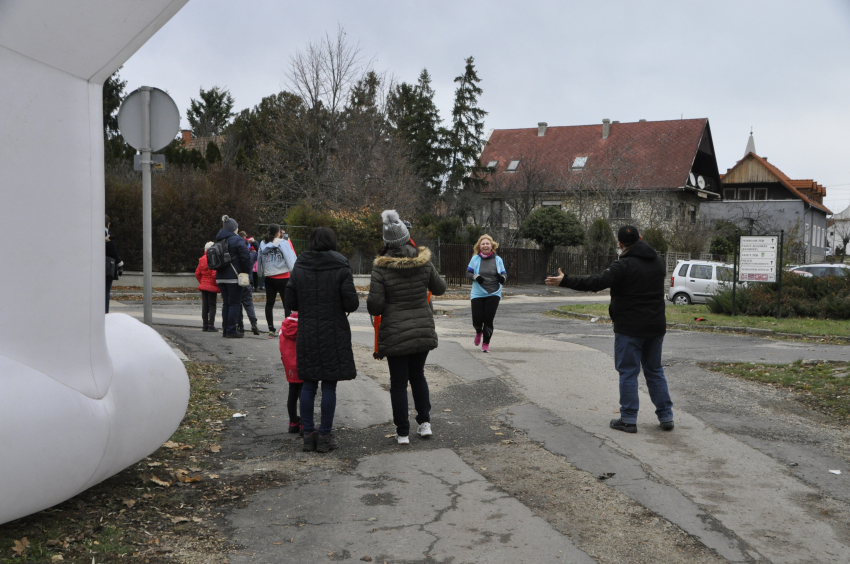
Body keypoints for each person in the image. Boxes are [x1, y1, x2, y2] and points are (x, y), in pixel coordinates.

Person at [545, 225, 674, 433]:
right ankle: (666, 416)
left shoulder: (623, 266)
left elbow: (596, 282)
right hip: (656, 326)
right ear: (640, 238)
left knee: (628, 372)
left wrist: (565, 280)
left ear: (620, 244)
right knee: (655, 370)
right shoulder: (659, 262)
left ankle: (629, 419)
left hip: (629, 327)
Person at [367, 210, 447, 444]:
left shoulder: (380, 268)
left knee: (399, 383)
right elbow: (440, 288)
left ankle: (402, 432)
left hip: (394, 332)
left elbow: (375, 306)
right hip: (422, 327)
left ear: (387, 242)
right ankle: (424, 424)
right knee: (418, 376)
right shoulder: (423, 261)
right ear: (406, 235)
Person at [285, 227, 359, 453]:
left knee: (308, 384)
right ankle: (325, 436)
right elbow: (352, 304)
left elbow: (291, 301)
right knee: (329, 385)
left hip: (307, 331)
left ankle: (308, 434)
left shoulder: (300, 265)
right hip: (334, 332)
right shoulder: (341, 265)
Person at [466, 234, 507, 353]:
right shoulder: (475, 259)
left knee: (488, 319)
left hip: (494, 292)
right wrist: (475, 277)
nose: (485, 245)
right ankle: (478, 331)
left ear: (491, 246)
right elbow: (468, 273)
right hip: (478, 292)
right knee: (477, 320)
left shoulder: (498, 259)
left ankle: (486, 343)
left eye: (487, 243)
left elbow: (504, 274)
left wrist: (502, 278)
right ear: (479, 246)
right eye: (483, 243)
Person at [215, 215, 251, 338]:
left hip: (220, 276)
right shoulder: (238, 240)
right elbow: (246, 258)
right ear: (233, 228)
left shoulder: (219, 239)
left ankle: (225, 330)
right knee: (235, 303)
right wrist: (246, 273)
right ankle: (231, 330)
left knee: (226, 303)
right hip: (234, 276)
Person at [259, 223, 298, 338]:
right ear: (278, 233)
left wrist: (261, 272)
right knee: (287, 305)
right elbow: (289, 258)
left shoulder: (263, 243)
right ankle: (286, 330)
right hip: (283, 277)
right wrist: (294, 271)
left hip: (269, 277)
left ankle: (271, 330)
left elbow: (259, 258)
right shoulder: (283, 243)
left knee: (269, 303)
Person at [278, 311, 304, 435]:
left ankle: (293, 421)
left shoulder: (283, 330)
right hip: (302, 364)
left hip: (289, 366)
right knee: (303, 394)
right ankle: (305, 423)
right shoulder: (304, 329)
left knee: (292, 393)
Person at [195, 241, 220, 332]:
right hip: (212, 286)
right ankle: (211, 325)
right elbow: (214, 274)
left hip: (204, 285)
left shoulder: (201, 259)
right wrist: (216, 284)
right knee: (212, 305)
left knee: (205, 305)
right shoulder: (213, 258)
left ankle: (204, 325)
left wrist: (202, 282)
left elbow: (197, 273)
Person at [105, 215, 123, 313]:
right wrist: (120, 264)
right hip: (107, 267)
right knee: (106, 292)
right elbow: (113, 251)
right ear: (108, 224)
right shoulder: (107, 234)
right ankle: (105, 314)